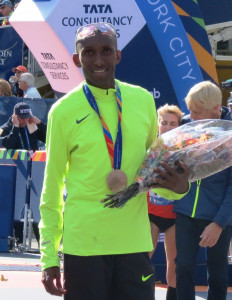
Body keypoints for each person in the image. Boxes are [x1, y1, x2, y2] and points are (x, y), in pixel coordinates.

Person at [39, 22, 190, 300]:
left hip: (133, 246)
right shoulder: (62, 112)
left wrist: (179, 188)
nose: (98, 60)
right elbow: (51, 188)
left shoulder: (142, 100)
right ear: (76, 59)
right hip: (84, 247)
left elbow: (153, 174)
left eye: (106, 51)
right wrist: (49, 256)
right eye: (89, 53)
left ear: (118, 55)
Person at [174, 81, 232, 300]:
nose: (191, 116)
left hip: (218, 218)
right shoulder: (186, 125)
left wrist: (218, 223)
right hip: (186, 212)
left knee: (217, 275)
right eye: (190, 110)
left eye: (197, 112)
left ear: (216, 109)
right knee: (184, 268)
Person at [148, 104, 183, 300]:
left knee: (174, 267)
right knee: (143, 262)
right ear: (157, 124)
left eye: (173, 123)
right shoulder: (149, 147)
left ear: (179, 126)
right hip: (150, 213)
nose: (168, 127)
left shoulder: (184, 149)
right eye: (164, 123)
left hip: (175, 215)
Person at [0, 102, 46, 247]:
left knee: (36, 206)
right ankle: (18, 241)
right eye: (21, 118)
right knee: (17, 205)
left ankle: (41, 243)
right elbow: (7, 144)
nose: (25, 120)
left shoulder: (31, 125)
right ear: (14, 116)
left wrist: (40, 124)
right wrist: (15, 127)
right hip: (16, 172)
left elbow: (49, 138)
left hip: (35, 171)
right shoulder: (6, 127)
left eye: (27, 117)